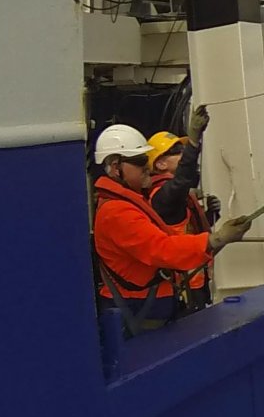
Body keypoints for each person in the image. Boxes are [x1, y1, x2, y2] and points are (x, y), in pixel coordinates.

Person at [91, 122, 249, 332]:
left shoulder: (130, 202)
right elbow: (162, 249)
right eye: (140, 161)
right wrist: (216, 239)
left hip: (151, 304)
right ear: (115, 167)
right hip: (140, 310)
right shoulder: (118, 212)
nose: (147, 166)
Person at [144, 125, 215, 310]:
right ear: (160, 164)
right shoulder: (162, 196)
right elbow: (182, 180)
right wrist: (193, 144)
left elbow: (185, 228)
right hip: (183, 284)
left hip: (195, 279)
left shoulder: (174, 195)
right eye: (177, 151)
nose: (182, 154)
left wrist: (209, 217)